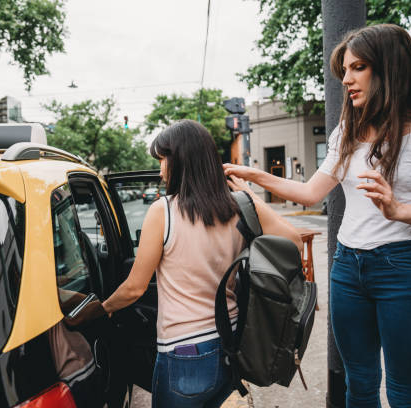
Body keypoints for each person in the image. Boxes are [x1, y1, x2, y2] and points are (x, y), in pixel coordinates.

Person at [224, 24, 411, 408]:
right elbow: (310, 192)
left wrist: (398, 210)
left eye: (358, 68)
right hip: (349, 267)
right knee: (359, 384)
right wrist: (255, 177)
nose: (346, 80)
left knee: (406, 392)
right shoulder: (349, 129)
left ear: (390, 68)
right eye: (345, 71)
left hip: (406, 268)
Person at [101, 119, 301, 407]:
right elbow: (293, 241)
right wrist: (250, 196)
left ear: (181, 160)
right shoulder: (239, 205)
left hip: (183, 353)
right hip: (230, 341)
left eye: (163, 160)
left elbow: (134, 288)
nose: (160, 170)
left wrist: (103, 309)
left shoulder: (163, 212)